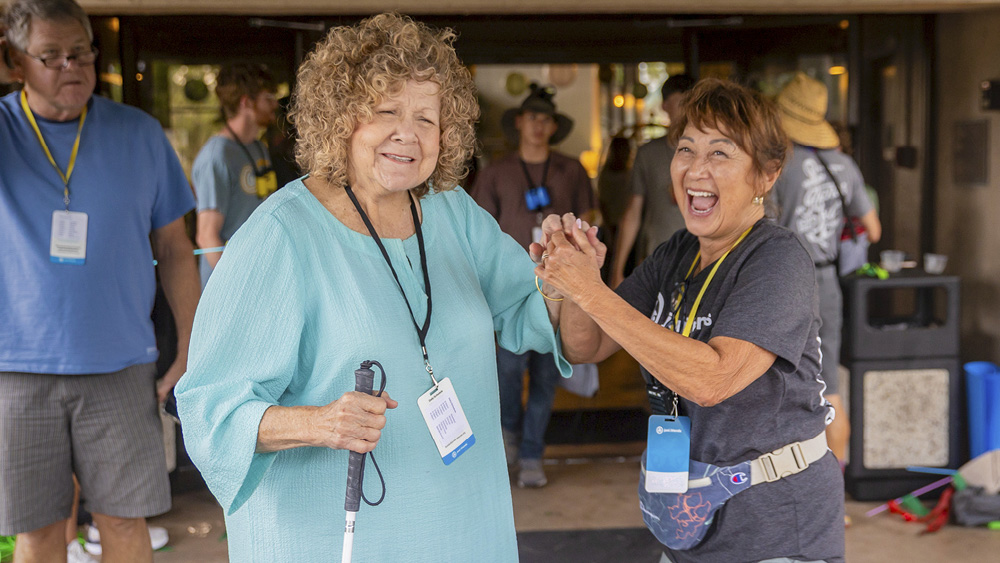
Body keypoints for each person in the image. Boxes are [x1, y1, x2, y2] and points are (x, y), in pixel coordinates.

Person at [174, 13, 572, 562]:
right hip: (336, 540)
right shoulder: (279, 236)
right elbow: (208, 410)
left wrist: (567, 275)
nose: (407, 134)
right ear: (340, 119)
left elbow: (534, 310)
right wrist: (318, 422)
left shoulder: (452, 212)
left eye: (427, 118)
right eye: (385, 111)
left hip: (463, 527)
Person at [536, 78, 845, 562]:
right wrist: (581, 278)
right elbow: (586, 346)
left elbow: (712, 379)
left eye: (720, 153)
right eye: (686, 149)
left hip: (775, 523)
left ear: (766, 175)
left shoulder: (777, 259)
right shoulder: (676, 253)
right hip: (690, 514)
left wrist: (588, 290)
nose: (696, 169)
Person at [0, 1, 200, 562]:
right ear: (15, 62)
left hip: (120, 366)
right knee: (39, 533)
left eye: (82, 52)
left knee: (123, 520)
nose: (73, 67)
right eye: (51, 56)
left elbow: (176, 249)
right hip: (16, 369)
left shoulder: (138, 133)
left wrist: (190, 345)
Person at [472, 83, 596, 488]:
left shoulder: (571, 169)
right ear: (520, 123)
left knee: (546, 377)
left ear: (553, 126)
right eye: (532, 118)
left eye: (546, 119)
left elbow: (593, 219)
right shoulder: (496, 172)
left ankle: (530, 454)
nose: (538, 125)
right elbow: (477, 237)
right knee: (508, 374)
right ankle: (509, 437)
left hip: (561, 287)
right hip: (508, 291)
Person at [771, 72, 882, 466]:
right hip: (828, 280)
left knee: (775, 381)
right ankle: (835, 494)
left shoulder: (777, 168)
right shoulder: (844, 165)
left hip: (784, 282)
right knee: (828, 383)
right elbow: (873, 228)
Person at [192, 62, 278, 287]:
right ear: (246, 102)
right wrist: (236, 287)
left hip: (258, 276)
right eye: (268, 98)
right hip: (231, 286)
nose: (275, 104)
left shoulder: (258, 148)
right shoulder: (216, 157)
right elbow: (206, 236)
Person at [610, 74, 695, 289]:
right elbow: (632, 212)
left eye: (695, 102)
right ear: (665, 105)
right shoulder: (648, 153)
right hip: (658, 259)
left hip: (706, 260)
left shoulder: (713, 151)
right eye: (683, 102)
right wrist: (618, 270)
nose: (690, 109)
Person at [597, 135, 632, 280]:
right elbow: (602, 203)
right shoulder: (627, 175)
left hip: (616, 224)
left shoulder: (606, 174)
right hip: (615, 225)